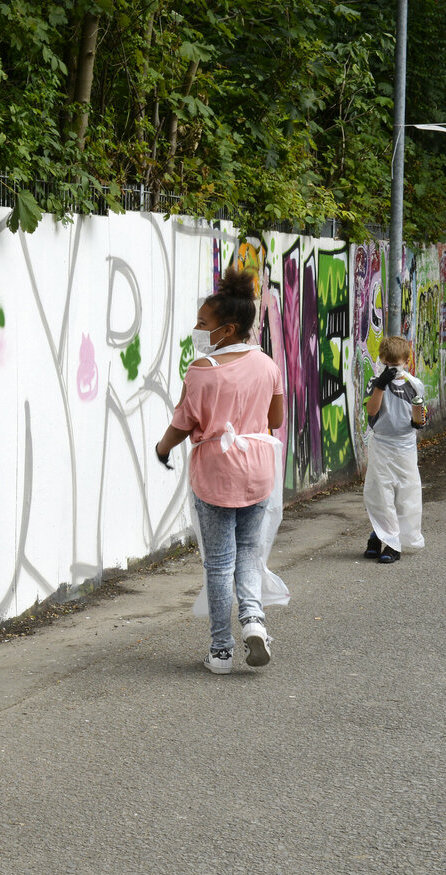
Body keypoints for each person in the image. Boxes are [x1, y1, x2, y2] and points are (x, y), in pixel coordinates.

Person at [155, 268, 286, 675]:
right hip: (260, 470)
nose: (196, 329)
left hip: (217, 474)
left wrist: (162, 449)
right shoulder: (266, 364)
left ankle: (222, 650)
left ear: (227, 329)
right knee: (249, 550)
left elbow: (183, 424)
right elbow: (276, 419)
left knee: (218, 562)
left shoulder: (201, 370)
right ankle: (254, 621)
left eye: (202, 324)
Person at [362, 335, 427, 563]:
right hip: (382, 445)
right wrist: (381, 384)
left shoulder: (413, 384)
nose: (393, 368)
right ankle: (386, 541)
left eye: (397, 364)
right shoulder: (374, 383)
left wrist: (418, 421)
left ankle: (386, 538)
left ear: (406, 361)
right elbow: (371, 411)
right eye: (389, 365)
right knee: (381, 494)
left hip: (405, 446)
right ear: (382, 360)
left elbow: (419, 412)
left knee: (405, 495)